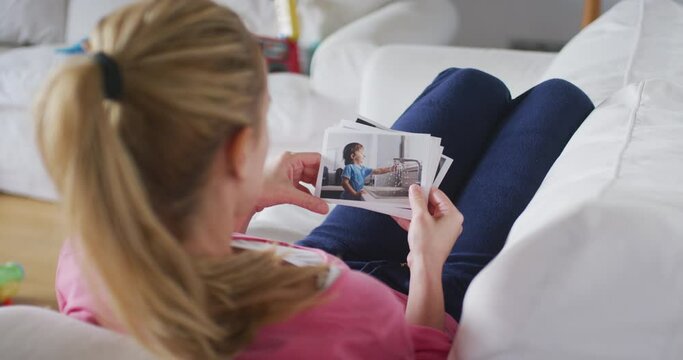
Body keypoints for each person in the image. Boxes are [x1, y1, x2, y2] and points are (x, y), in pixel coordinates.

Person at [37, 1, 594, 359]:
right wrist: (427, 266)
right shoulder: (350, 316)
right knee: (557, 100)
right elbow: (421, 352)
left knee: (468, 86)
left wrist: (239, 202)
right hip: (409, 293)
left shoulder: (86, 254)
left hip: (308, 261)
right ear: (236, 149)